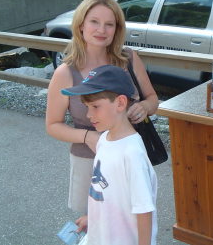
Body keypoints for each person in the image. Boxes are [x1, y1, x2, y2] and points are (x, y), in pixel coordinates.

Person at [46, 0, 159, 215]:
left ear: (117, 29)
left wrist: (144, 107)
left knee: (133, 218)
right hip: (90, 159)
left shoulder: (129, 59)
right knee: (95, 225)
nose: (102, 30)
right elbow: (52, 125)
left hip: (130, 156)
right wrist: (88, 137)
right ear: (80, 26)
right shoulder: (66, 72)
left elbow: (153, 99)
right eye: (94, 22)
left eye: (110, 24)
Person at [61, 65, 158, 245]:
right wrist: (93, 218)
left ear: (120, 103)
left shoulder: (132, 154)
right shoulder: (104, 139)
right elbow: (106, 190)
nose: (89, 115)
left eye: (95, 106)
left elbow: (144, 211)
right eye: (86, 106)